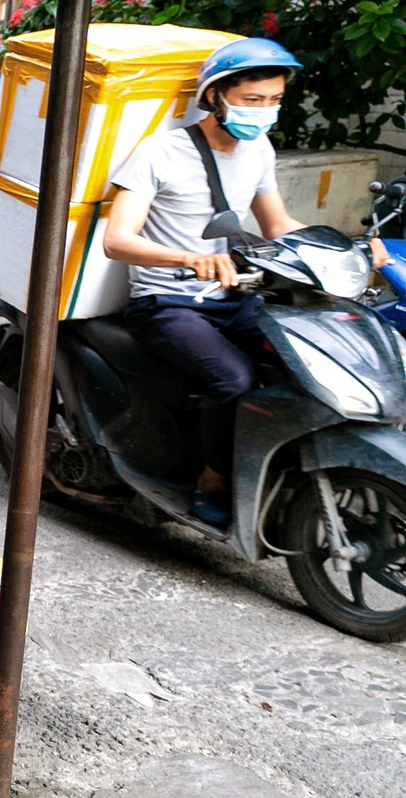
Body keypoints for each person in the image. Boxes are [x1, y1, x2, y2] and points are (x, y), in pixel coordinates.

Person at [102, 39, 305, 527]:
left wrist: (353, 246)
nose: (265, 112)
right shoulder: (161, 152)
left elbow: (278, 225)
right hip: (167, 301)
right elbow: (117, 239)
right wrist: (188, 257)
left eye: (274, 100)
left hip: (232, 295)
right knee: (234, 378)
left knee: (302, 357)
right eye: (253, 100)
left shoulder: (259, 150)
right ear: (214, 96)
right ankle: (211, 478)